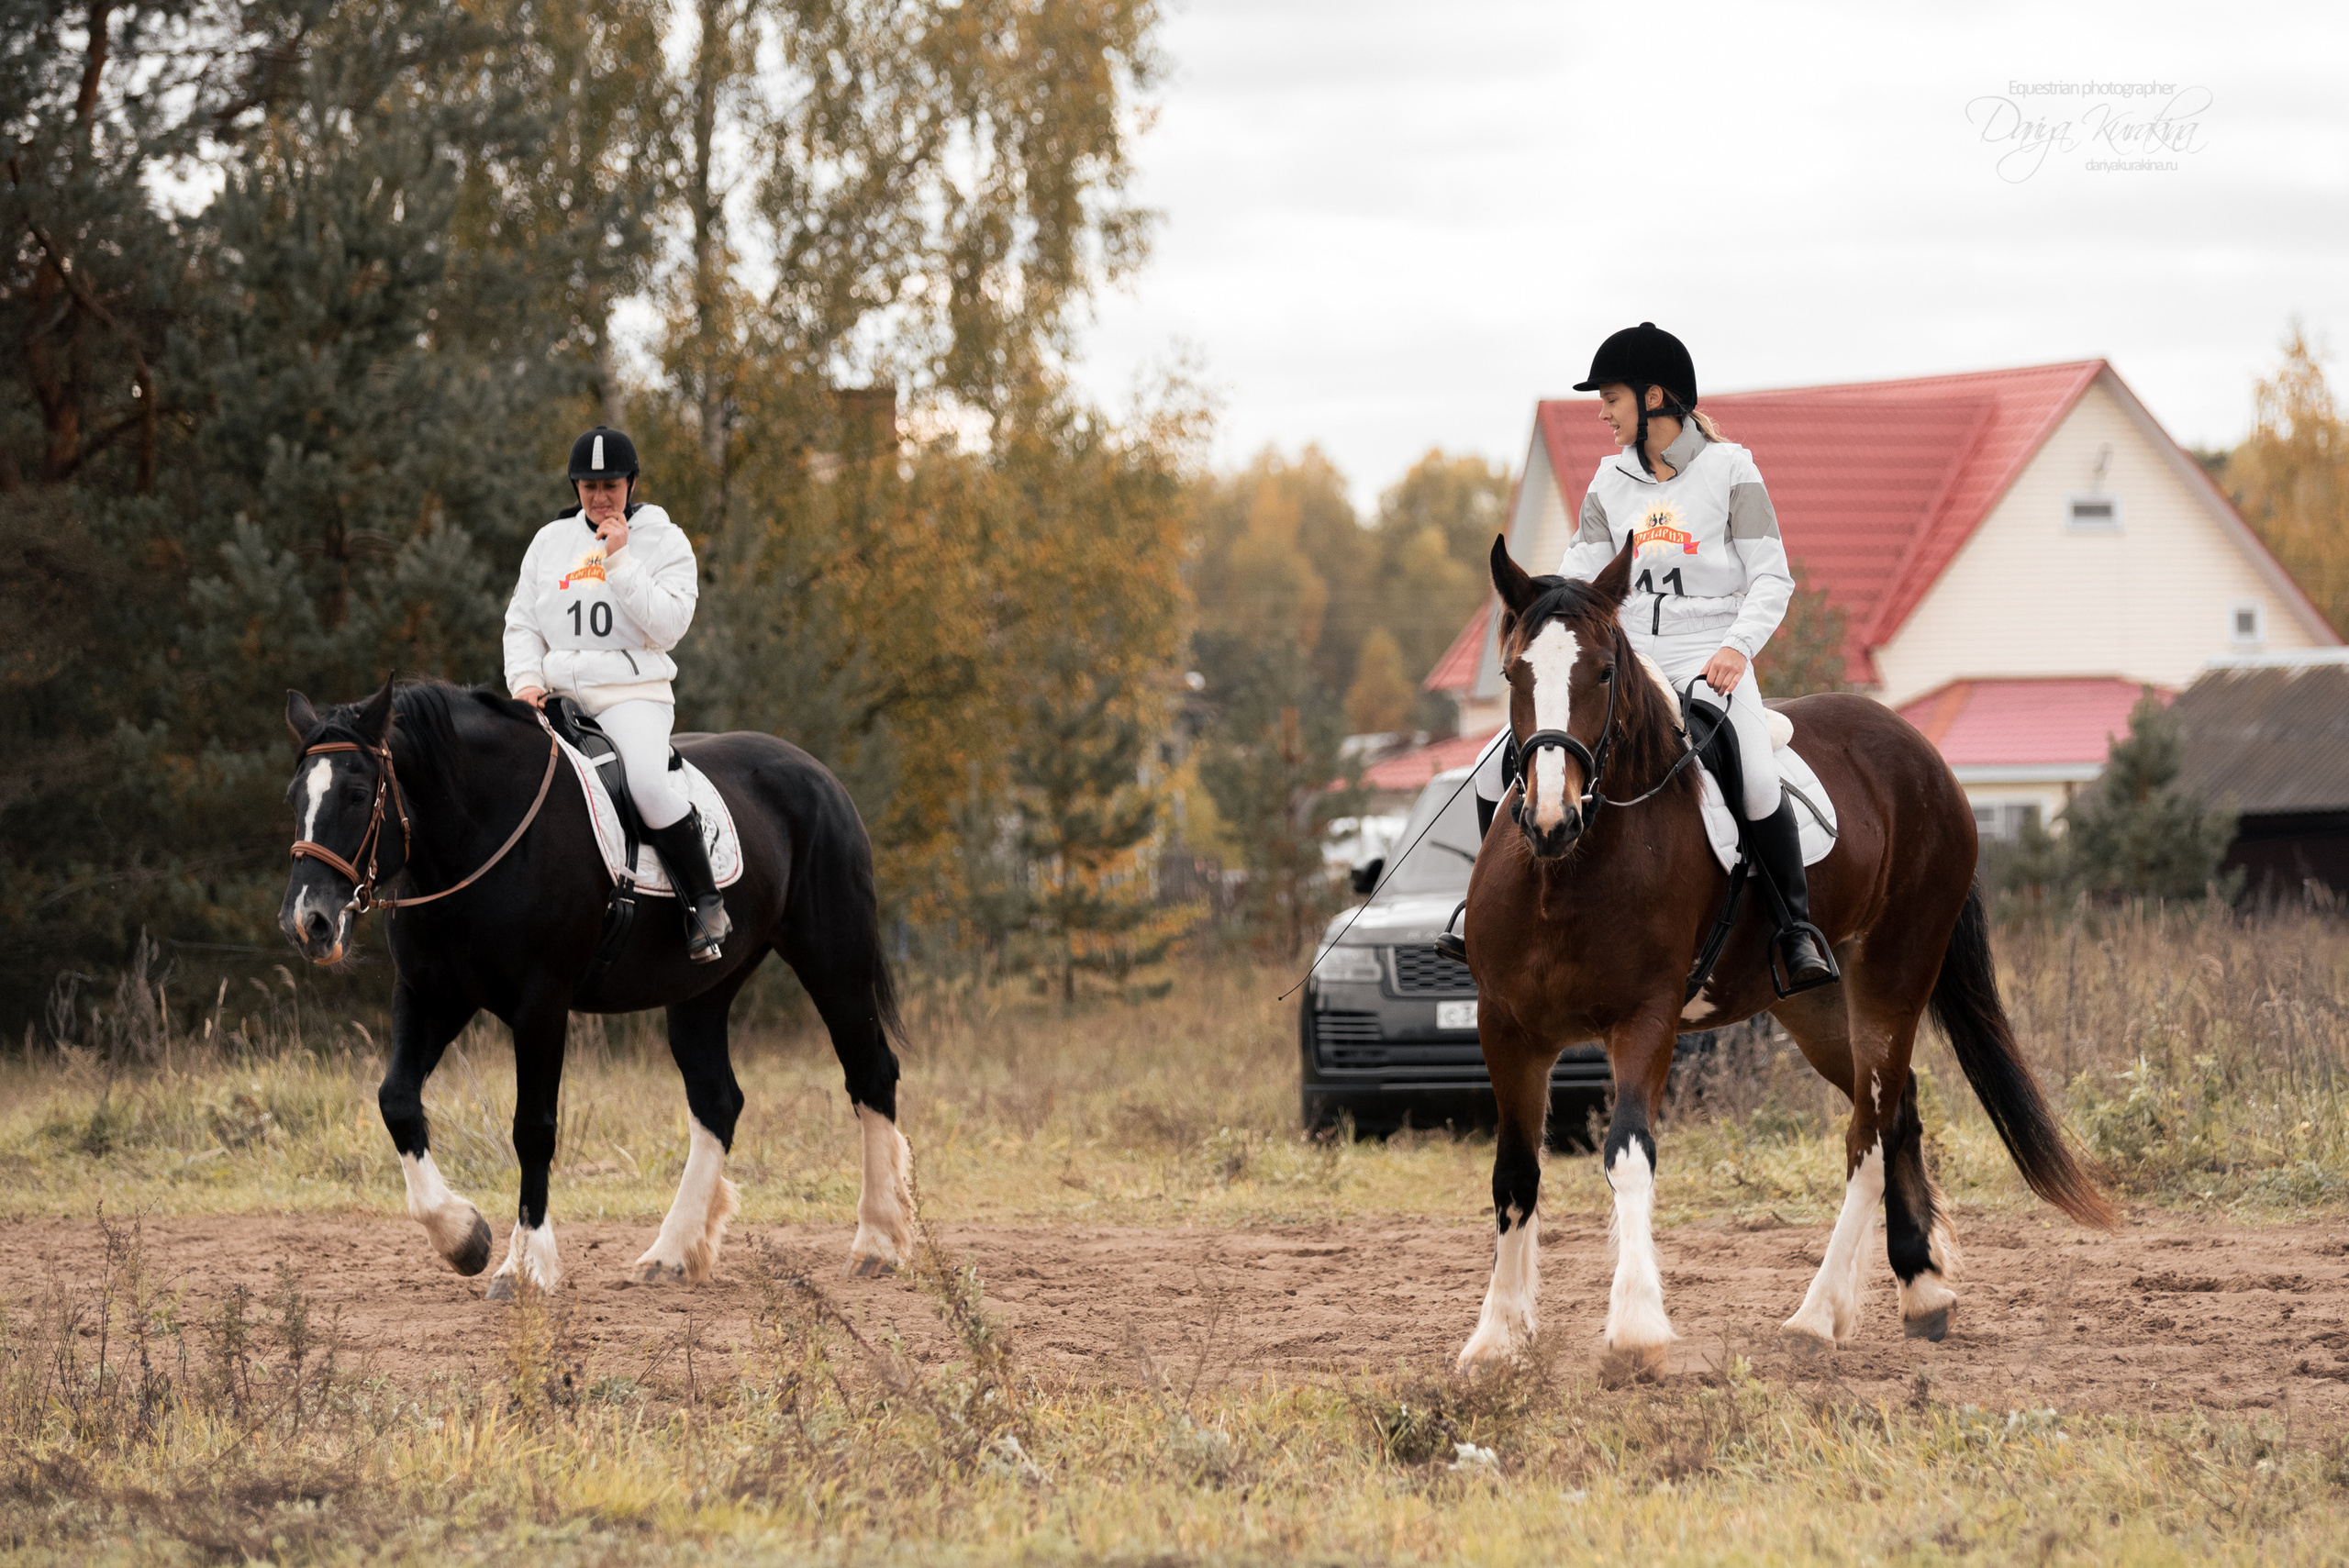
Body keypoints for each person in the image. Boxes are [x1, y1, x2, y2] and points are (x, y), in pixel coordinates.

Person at [1439, 324, 1834, 992]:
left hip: (1710, 654)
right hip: (1624, 657)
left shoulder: (1734, 470)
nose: (1602, 411)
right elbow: (1576, 573)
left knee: (1758, 777)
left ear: (1656, 398)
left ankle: (1795, 928)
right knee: (1487, 770)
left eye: (1612, 397)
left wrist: (1738, 648)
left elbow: (1773, 577)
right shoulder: (1607, 480)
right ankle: (1484, 910)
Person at [504, 426, 732, 963]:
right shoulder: (549, 542)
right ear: (575, 487)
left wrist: (622, 562)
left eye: (610, 485)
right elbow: (522, 622)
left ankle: (705, 902)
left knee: (648, 785)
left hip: (633, 696)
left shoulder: (664, 540)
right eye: (588, 486)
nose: (600, 497)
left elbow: (671, 624)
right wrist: (526, 683)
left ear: (631, 482)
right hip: (557, 698)